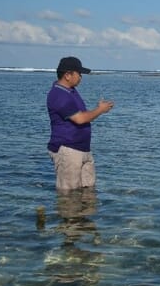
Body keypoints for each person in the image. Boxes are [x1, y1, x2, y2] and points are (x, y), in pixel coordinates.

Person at [46, 56, 114, 191]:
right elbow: (80, 119)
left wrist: (97, 109)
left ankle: (86, 212)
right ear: (67, 75)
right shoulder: (59, 95)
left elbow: (82, 116)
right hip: (68, 150)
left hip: (82, 149)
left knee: (89, 193)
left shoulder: (70, 91)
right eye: (79, 73)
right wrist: (100, 110)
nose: (81, 77)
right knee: (69, 195)